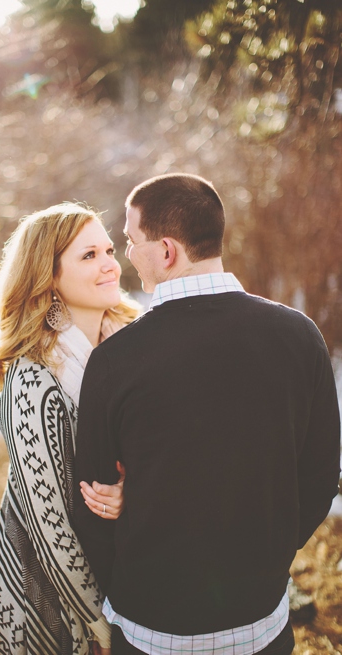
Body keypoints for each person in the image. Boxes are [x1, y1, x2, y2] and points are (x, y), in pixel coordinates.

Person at [72, 173, 341, 655]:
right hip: (262, 624)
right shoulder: (301, 336)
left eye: (132, 241)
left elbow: (93, 501)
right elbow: (322, 475)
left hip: (149, 631)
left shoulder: (117, 360)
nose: (127, 254)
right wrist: (270, 551)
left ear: (168, 251)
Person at [0, 203, 140, 655]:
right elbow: (49, 523)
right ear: (49, 275)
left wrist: (133, 489)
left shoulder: (132, 347)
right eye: (88, 256)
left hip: (121, 584)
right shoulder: (35, 380)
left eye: (109, 249)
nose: (110, 264)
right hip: (37, 605)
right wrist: (95, 620)